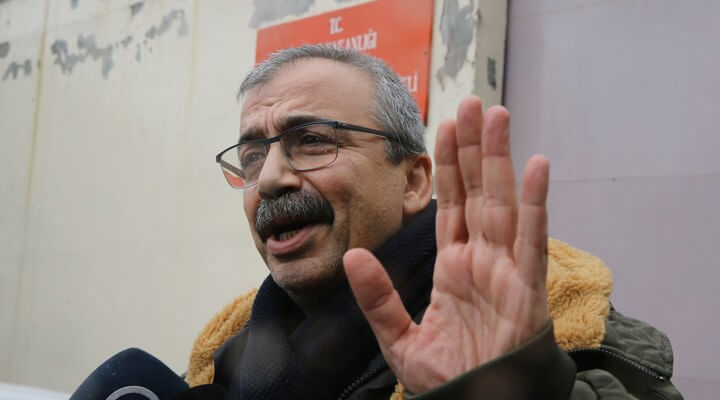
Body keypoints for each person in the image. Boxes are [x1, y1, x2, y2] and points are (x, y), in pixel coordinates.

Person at [185, 45, 683, 399]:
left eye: (313, 140)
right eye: (252, 156)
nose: (270, 178)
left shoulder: (550, 335)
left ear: (413, 182)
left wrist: (519, 386)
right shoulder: (219, 358)